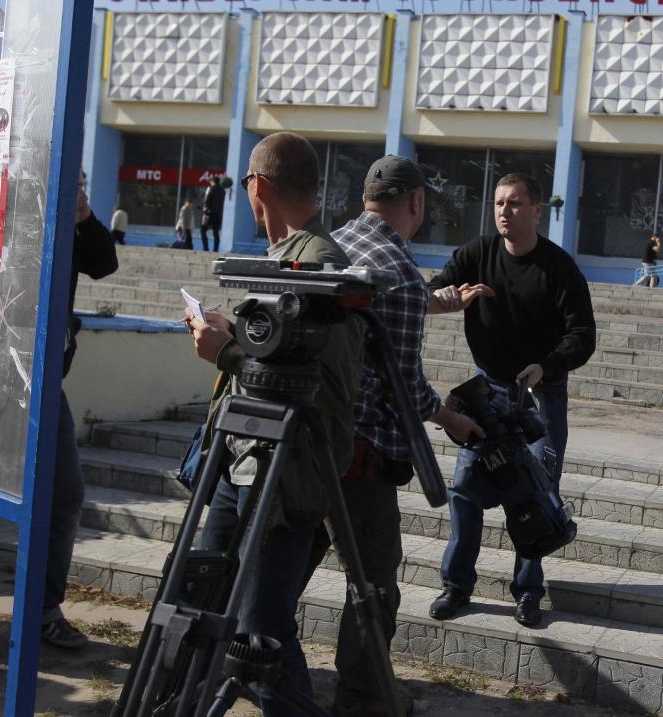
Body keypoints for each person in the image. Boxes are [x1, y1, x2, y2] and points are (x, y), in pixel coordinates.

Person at [185, 132, 363, 716]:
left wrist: (228, 353)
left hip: (285, 478)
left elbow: (321, 385)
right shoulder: (285, 255)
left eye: (244, 185)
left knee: (261, 634)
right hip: (247, 461)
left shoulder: (320, 265)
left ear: (257, 185)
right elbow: (282, 359)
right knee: (207, 603)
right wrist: (235, 337)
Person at [302, 155, 484, 717]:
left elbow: (371, 310)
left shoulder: (334, 244)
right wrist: (453, 420)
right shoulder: (401, 274)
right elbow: (406, 386)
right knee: (374, 581)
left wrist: (436, 302)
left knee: (288, 564)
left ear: (365, 197)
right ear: (418, 203)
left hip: (306, 442)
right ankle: (363, 698)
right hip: (362, 454)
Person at [426, 172, 596, 627]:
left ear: (537, 211)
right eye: (500, 202)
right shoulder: (476, 254)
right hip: (489, 388)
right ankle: (456, 586)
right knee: (464, 488)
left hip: (541, 392)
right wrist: (448, 299)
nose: (504, 210)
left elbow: (584, 337)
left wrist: (544, 366)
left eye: (515, 203)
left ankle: (528, 592)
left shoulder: (559, 268)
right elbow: (433, 290)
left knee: (537, 494)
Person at [0, 171, 118, 649]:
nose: (81, 186)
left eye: (85, 181)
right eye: (75, 179)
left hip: (43, 384)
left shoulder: (68, 223)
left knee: (64, 493)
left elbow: (104, 264)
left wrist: (84, 217)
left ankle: (43, 610)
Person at [200, 175, 226, 252]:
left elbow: (207, 201)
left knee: (203, 230)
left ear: (213, 181)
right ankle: (215, 249)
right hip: (218, 215)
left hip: (209, 214)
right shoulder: (222, 190)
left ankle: (205, 248)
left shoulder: (211, 189)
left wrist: (204, 210)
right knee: (216, 233)